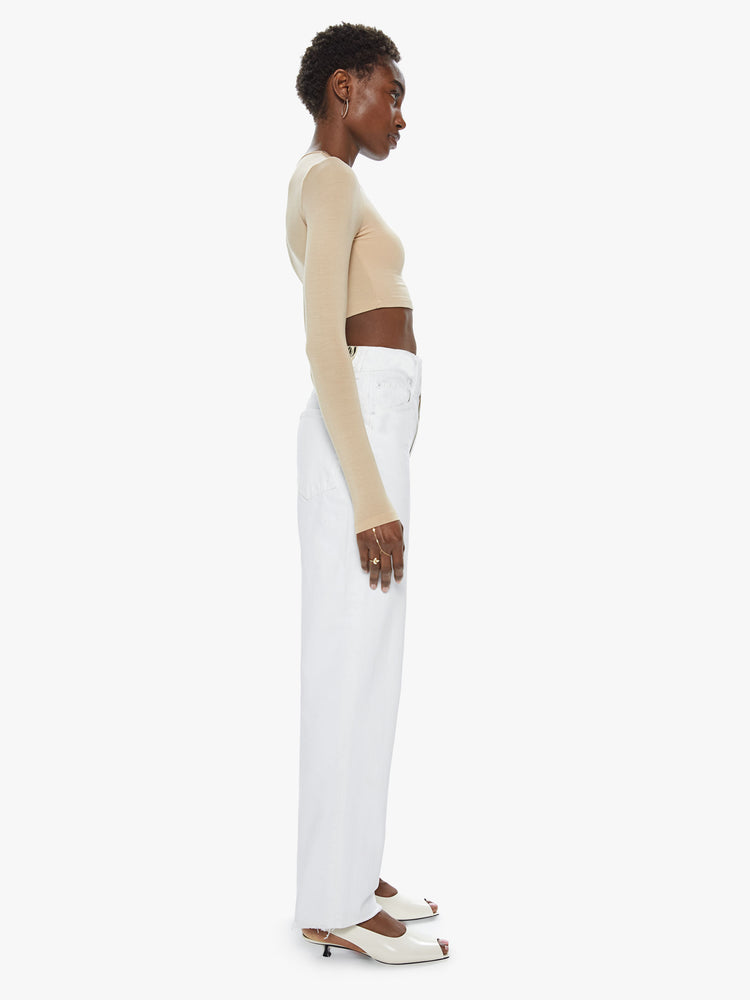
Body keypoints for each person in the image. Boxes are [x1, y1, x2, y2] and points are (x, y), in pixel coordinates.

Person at [286, 23, 450, 965]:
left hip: (367, 430)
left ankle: (347, 869)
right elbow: (324, 342)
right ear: (343, 88)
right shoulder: (330, 181)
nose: (400, 115)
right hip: (358, 444)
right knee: (356, 661)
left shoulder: (327, 182)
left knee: (360, 660)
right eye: (391, 94)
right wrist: (371, 498)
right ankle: (337, 901)